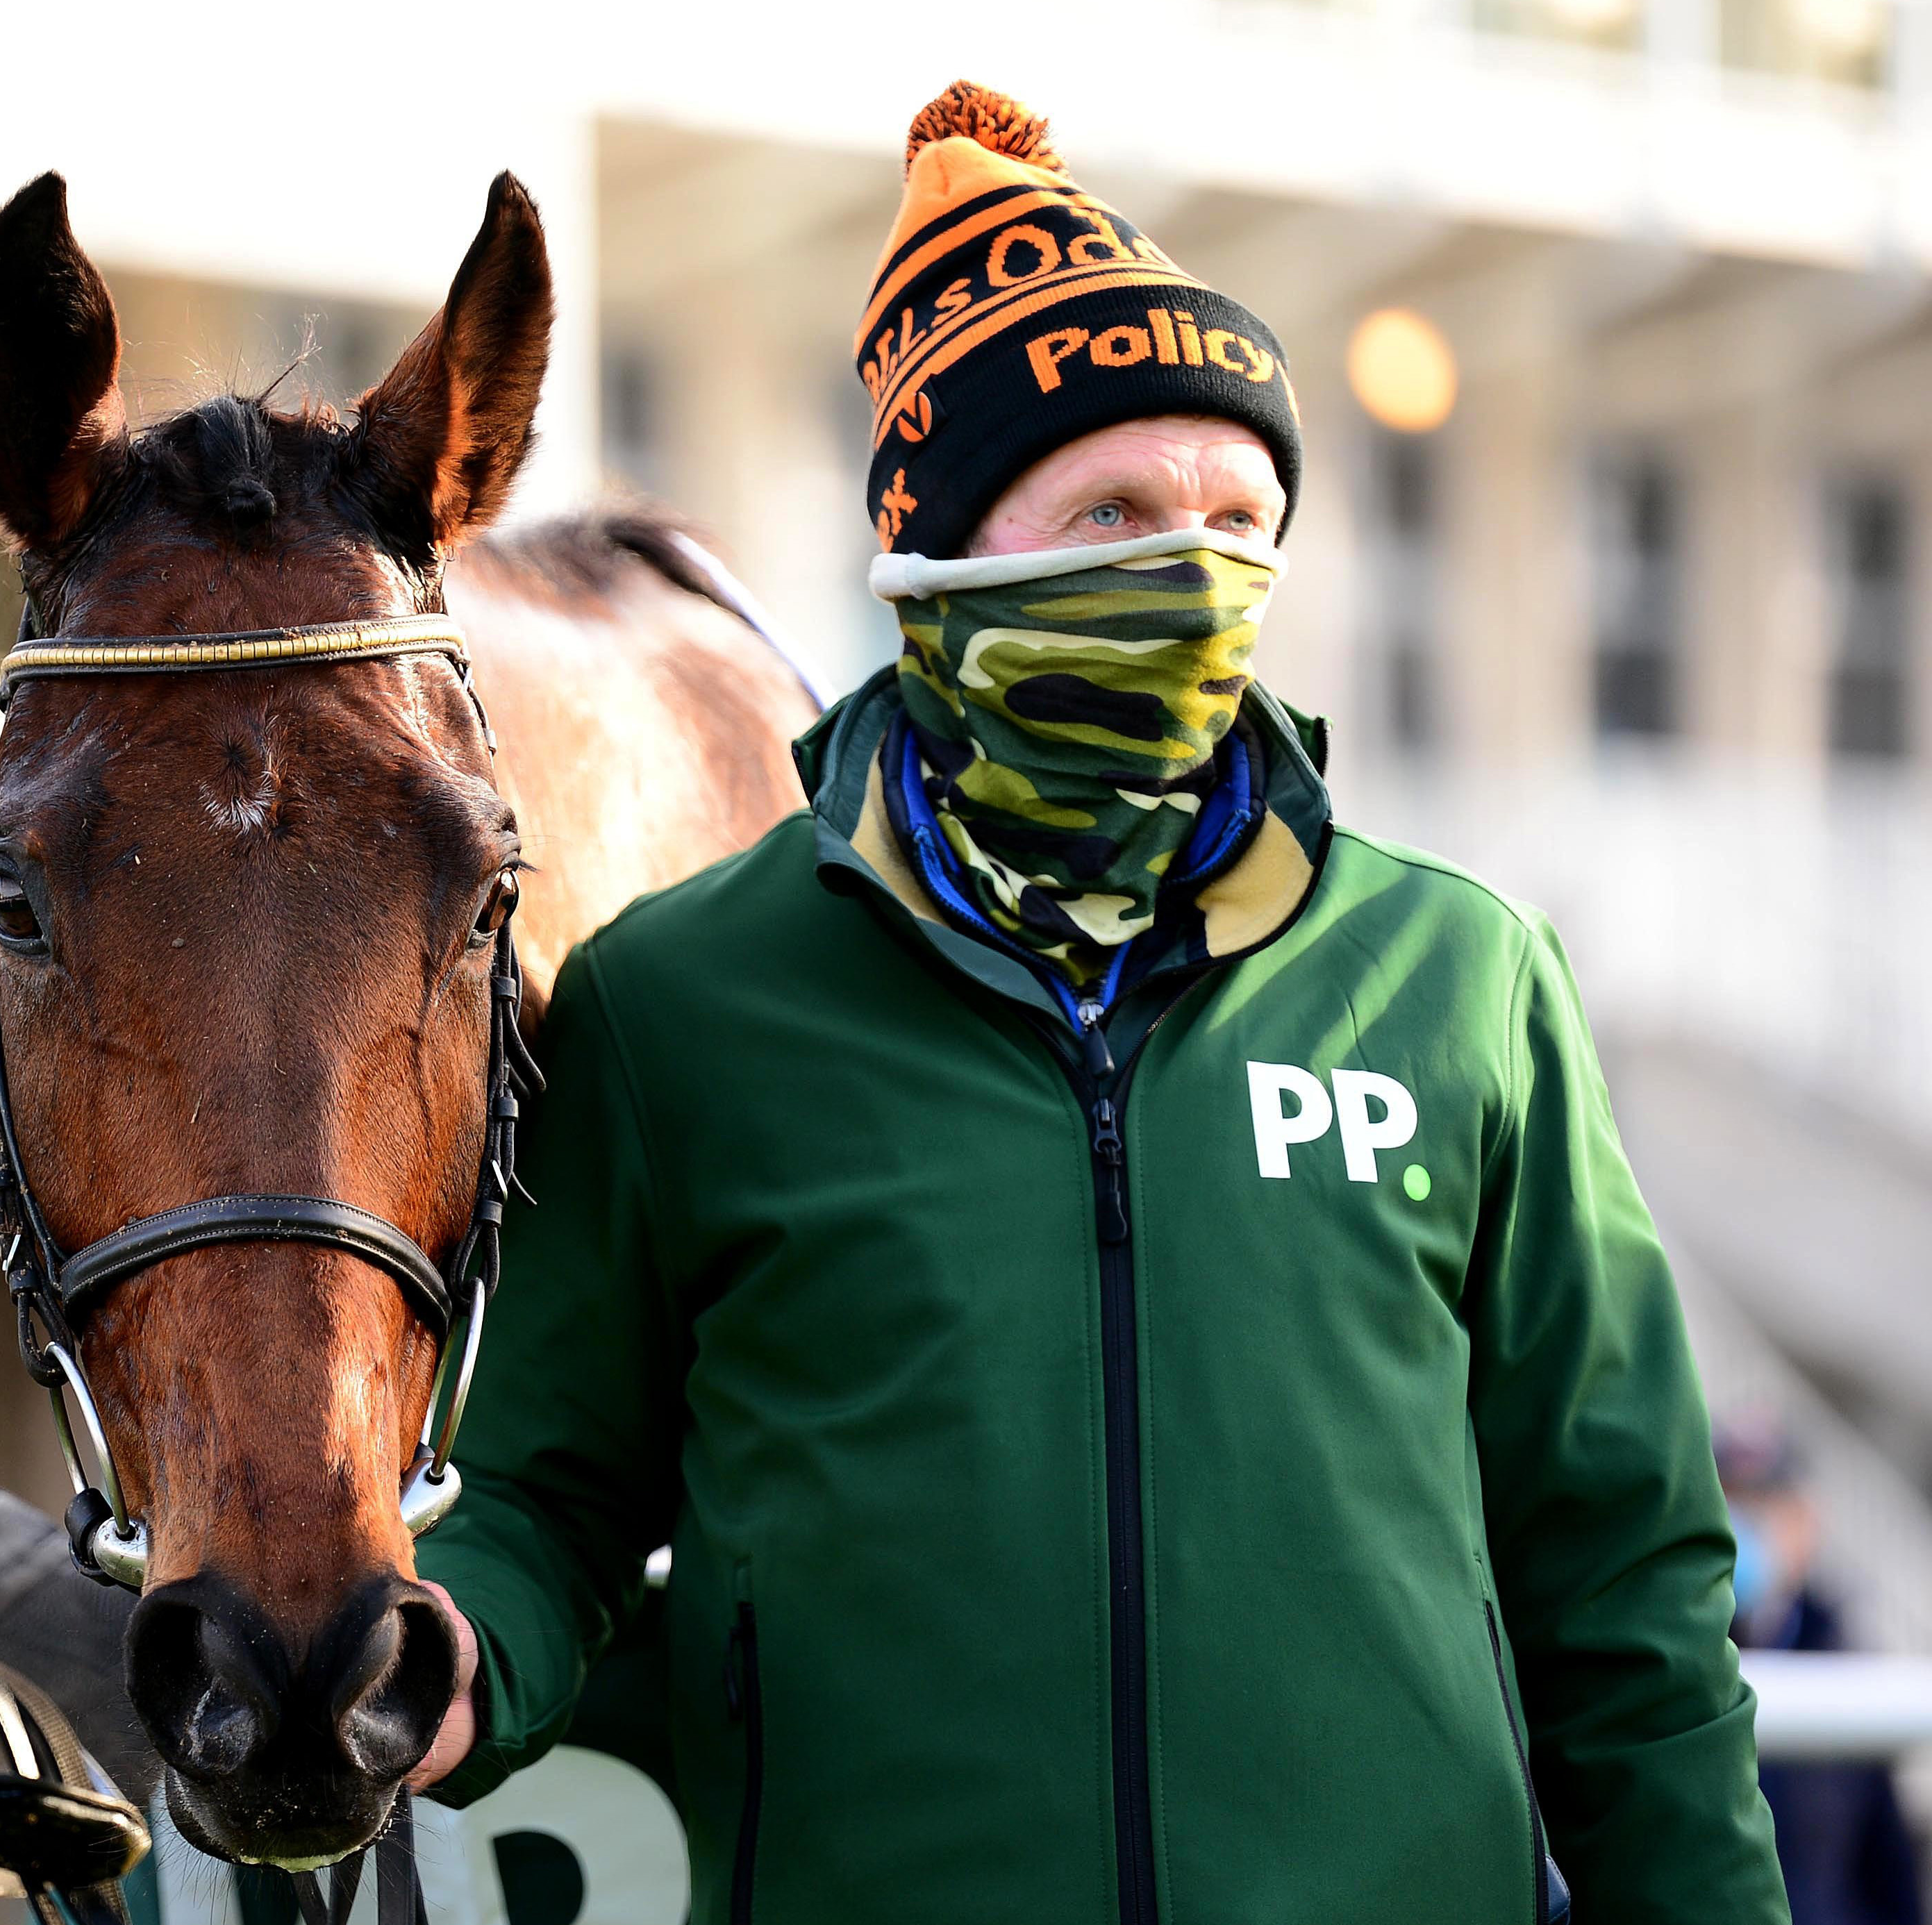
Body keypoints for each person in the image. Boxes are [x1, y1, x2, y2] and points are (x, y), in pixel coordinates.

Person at [409, 82, 1790, 1922]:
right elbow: (549, 1502)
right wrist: (444, 1659)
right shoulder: (681, 1005)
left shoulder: (1465, 984)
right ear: (944, 543)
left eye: (1238, 514)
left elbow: (1624, 1585)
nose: (1190, 569)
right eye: (1114, 506)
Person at [1718, 1421, 1924, 1924]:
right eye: (1733, 1502)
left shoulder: (1844, 1660)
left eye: (1767, 1505)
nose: (1748, 1525)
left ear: (1807, 1520)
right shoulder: (1683, 1656)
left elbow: (1886, 1860)